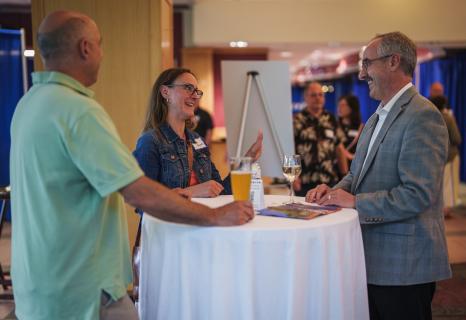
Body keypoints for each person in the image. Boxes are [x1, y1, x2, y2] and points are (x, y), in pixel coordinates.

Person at [9, 10, 254, 320]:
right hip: (81, 285)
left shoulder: (29, 103)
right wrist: (215, 215)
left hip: (38, 279)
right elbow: (139, 194)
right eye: (99, 44)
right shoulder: (80, 112)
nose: (102, 53)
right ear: (86, 48)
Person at [306, 32, 451, 320]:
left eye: (367, 64)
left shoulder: (423, 115)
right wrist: (332, 192)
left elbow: (418, 194)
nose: (361, 74)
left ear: (393, 61)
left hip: (404, 266)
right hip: (371, 259)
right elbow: (356, 175)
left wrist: (356, 202)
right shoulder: (377, 116)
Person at [133, 67, 262, 198]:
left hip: (203, 218)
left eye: (196, 91)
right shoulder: (150, 141)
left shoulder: (196, 139)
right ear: (165, 92)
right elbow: (142, 200)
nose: (195, 96)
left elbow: (221, 191)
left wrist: (247, 161)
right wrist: (190, 192)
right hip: (171, 219)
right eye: (188, 88)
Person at [293, 81, 347, 196]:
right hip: (305, 182)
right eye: (313, 95)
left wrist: (345, 177)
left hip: (330, 181)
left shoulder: (332, 119)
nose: (317, 98)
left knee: (332, 213)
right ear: (305, 98)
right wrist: (294, 176)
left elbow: (339, 149)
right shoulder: (297, 121)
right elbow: (290, 149)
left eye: (320, 95)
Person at [429, 95, 461, 217]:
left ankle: (441, 208)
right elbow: (457, 138)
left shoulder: (429, 117)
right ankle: (446, 210)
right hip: (450, 155)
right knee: (450, 183)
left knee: (441, 183)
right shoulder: (448, 118)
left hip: (435, 156)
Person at [337, 94, 364, 167]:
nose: (339, 108)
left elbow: (364, 151)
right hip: (337, 166)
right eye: (339, 105)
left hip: (353, 166)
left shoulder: (361, 128)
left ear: (352, 107)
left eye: (343, 105)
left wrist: (350, 156)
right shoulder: (335, 126)